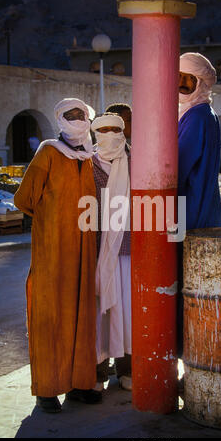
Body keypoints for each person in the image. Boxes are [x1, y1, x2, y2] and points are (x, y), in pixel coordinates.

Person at [14, 98, 102, 413]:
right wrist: (53, 220)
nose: (77, 119)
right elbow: (24, 199)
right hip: (52, 252)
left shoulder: (93, 157)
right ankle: (47, 389)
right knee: (49, 318)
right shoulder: (48, 152)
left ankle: (79, 384)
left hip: (85, 250)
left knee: (82, 315)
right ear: (59, 119)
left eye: (82, 114)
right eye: (71, 114)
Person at [177, 53, 221, 359]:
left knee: (185, 287)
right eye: (177, 79)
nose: (180, 85)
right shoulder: (200, 114)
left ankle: (186, 353)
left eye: (186, 81)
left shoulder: (198, 117)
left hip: (190, 212)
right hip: (201, 209)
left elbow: (176, 168)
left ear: (201, 83)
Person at [91, 113, 132, 392]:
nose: (109, 135)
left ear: (123, 131)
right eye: (103, 130)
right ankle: (97, 372)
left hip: (129, 248)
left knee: (127, 314)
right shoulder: (85, 163)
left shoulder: (136, 160)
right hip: (96, 248)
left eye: (114, 130)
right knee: (99, 314)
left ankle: (127, 369)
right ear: (95, 134)